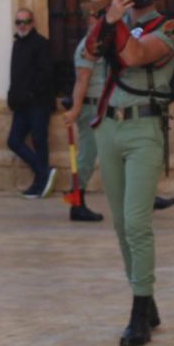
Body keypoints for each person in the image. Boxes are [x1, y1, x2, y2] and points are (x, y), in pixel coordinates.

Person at [83, 0, 174, 346]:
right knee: (122, 225)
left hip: (143, 128)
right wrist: (103, 15)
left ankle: (139, 310)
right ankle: (146, 298)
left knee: (138, 221)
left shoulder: (168, 27)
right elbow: (91, 51)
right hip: (109, 126)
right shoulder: (116, 21)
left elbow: (135, 55)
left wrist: (110, 17)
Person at [6, 7, 56, 198]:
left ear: (32, 23)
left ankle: (40, 182)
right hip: (21, 104)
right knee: (13, 141)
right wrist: (12, 96)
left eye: (26, 21)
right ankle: (44, 172)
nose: (22, 25)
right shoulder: (17, 45)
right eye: (18, 22)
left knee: (39, 141)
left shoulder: (41, 44)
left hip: (38, 103)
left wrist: (30, 93)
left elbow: (46, 74)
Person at [63, 30, 105, 223]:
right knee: (87, 156)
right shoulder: (89, 44)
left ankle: (145, 197)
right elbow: (82, 78)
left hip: (104, 106)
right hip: (91, 108)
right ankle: (76, 204)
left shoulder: (105, 42)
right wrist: (75, 110)